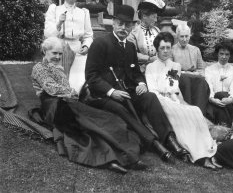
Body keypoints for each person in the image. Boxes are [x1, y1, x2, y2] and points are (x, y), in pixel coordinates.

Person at [85, 4, 187, 162]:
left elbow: (135, 73)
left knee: (150, 97)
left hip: (128, 90)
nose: (123, 28)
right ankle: (154, 144)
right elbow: (91, 76)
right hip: (105, 95)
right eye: (120, 23)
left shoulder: (130, 47)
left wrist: (141, 83)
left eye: (127, 25)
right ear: (113, 23)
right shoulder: (100, 43)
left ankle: (169, 139)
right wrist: (111, 91)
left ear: (132, 26)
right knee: (121, 108)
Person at [31, 37, 147, 174]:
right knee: (87, 125)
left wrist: (72, 94)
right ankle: (110, 160)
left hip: (68, 102)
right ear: (45, 51)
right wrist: (73, 93)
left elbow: (65, 90)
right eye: (54, 53)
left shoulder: (59, 69)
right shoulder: (39, 68)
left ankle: (122, 157)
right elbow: (51, 89)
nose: (57, 57)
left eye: (60, 53)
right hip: (53, 106)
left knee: (105, 120)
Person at [145, 32, 219, 169]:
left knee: (195, 110)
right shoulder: (151, 67)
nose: (166, 51)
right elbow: (152, 90)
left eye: (168, 47)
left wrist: (178, 101)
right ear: (157, 49)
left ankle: (208, 150)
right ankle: (199, 156)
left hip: (172, 98)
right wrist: (169, 99)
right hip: (159, 100)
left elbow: (174, 88)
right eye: (162, 48)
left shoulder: (175, 66)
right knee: (184, 113)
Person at [44, 0, 93, 94]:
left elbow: (88, 35)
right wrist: (59, 24)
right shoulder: (55, 9)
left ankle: (76, 92)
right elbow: (48, 34)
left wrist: (86, 46)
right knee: (59, 78)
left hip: (77, 48)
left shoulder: (83, 13)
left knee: (77, 81)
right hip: (60, 47)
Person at [204, 41, 233, 126]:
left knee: (223, 96)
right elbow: (208, 86)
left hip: (230, 104)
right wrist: (212, 99)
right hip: (213, 102)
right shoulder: (209, 70)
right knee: (219, 97)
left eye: (227, 54)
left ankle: (225, 129)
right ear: (217, 54)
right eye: (221, 54)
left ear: (230, 55)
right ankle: (226, 129)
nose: (224, 57)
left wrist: (230, 99)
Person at [127, 0, 166, 72]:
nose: (156, 20)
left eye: (156, 17)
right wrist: (149, 59)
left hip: (159, 68)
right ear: (144, 16)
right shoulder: (134, 33)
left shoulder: (157, 31)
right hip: (141, 70)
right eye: (154, 17)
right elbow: (131, 53)